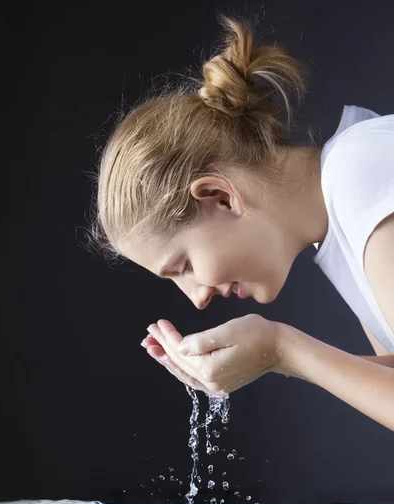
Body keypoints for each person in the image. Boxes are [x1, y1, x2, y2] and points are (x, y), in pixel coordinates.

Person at [89, 12, 394, 430]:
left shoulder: (360, 175)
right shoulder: (341, 226)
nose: (196, 299)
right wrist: (270, 361)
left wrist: (283, 347)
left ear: (221, 197)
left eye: (184, 266)